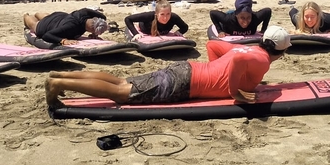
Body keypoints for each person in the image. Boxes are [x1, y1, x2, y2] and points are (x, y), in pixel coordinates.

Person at [45, 26, 291, 108]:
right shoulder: (262, 60)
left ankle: (62, 74)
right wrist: (233, 91)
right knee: (123, 92)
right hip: (184, 83)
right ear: (281, 51)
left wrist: (216, 74)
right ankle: (58, 83)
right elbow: (236, 64)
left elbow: (215, 45)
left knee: (124, 82)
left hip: (187, 70)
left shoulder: (247, 48)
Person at [23, 8, 109, 46]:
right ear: (90, 28)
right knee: (35, 24)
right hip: (47, 26)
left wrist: (94, 33)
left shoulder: (85, 12)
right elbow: (47, 35)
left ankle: (37, 14)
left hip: (61, 17)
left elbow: (103, 17)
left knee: (47, 17)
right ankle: (26, 16)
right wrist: (63, 40)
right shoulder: (71, 27)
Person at [124, 0, 189, 38]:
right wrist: (136, 34)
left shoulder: (173, 17)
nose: (165, 18)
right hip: (142, 23)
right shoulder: (150, 16)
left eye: (168, 14)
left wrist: (179, 32)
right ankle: (135, 10)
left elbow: (185, 27)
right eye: (162, 14)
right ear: (156, 14)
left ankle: (146, 8)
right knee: (138, 14)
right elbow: (128, 19)